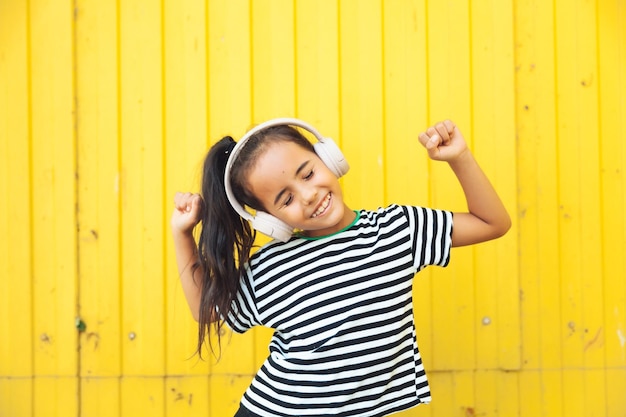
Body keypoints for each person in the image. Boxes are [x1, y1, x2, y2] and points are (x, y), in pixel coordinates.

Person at [171, 118, 511, 417]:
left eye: (308, 173)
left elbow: (491, 222)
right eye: (285, 199)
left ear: (328, 157)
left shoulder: (397, 229)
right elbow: (208, 311)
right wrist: (182, 233)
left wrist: (460, 158)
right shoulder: (272, 266)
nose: (307, 195)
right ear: (270, 221)